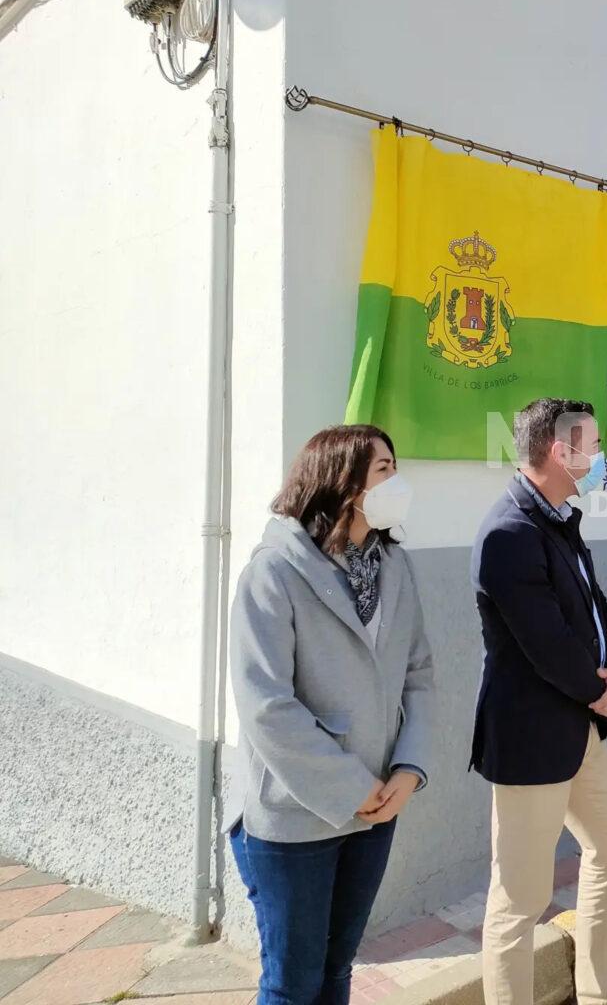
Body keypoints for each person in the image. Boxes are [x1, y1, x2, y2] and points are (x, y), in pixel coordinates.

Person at [472, 399, 607, 1005]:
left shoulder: (559, 518)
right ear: (562, 452)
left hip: (580, 727)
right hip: (533, 739)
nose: (601, 455)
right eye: (594, 444)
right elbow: (547, 644)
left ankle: (602, 992)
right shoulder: (509, 533)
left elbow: (594, 606)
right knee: (520, 899)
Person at [228, 425, 437, 1005]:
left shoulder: (393, 567)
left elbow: (419, 674)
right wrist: (351, 787)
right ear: (342, 483)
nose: (397, 481)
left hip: (376, 810)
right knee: (292, 985)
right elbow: (265, 704)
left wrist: (409, 769)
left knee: (337, 969)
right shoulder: (273, 573)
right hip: (296, 816)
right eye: (384, 469)